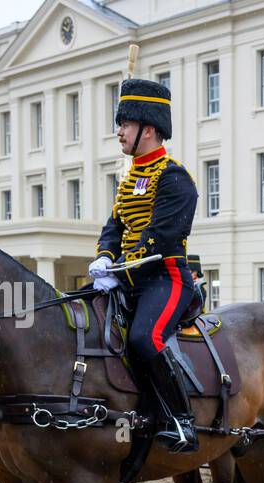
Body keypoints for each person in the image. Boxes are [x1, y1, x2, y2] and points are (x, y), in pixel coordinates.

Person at [89, 77, 200, 453]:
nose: (118, 132)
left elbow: (160, 238)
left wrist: (120, 268)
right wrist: (105, 256)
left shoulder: (173, 176)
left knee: (143, 338)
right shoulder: (130, 177)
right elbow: (114, 227)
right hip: (127, 278)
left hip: (165, 278)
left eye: (125, 125)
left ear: (148, 130)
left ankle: (182, 421)